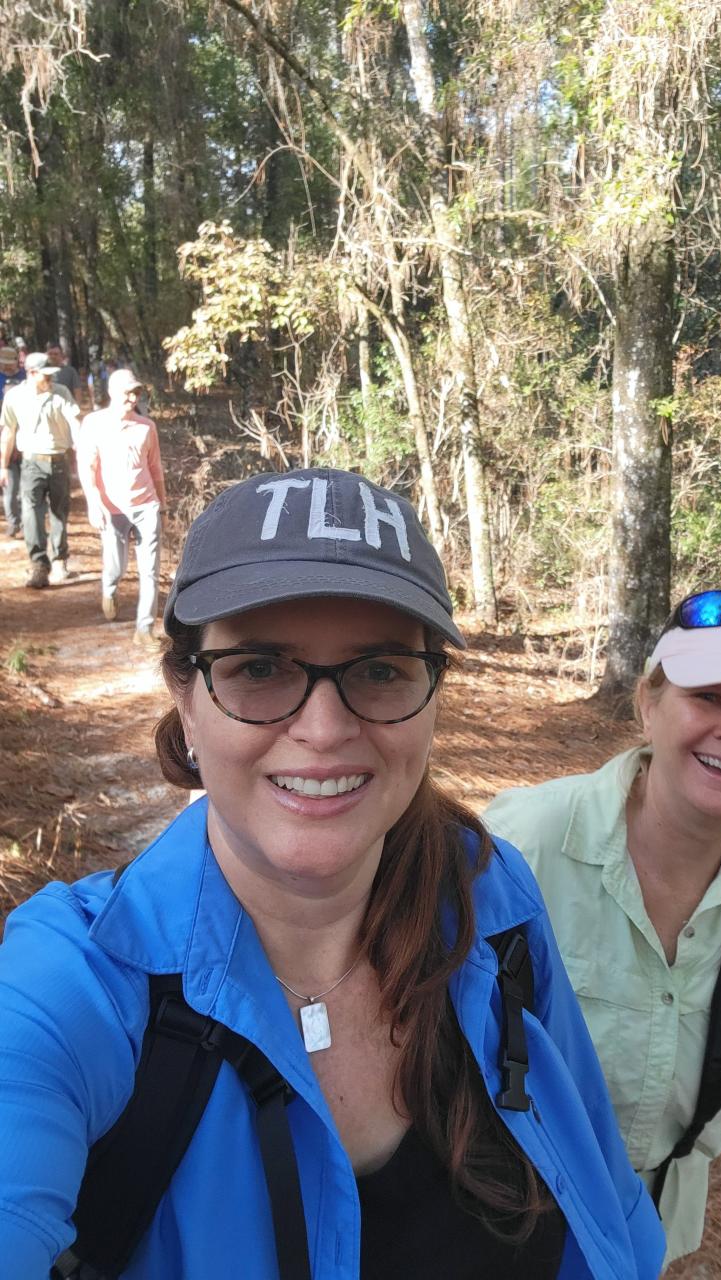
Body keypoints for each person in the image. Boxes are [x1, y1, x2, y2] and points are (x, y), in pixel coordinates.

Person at [0, 467, 665, 1279]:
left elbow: (605, 1198)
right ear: (186, 694)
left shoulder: (487, 898)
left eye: (380, 670)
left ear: (431, 695)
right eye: (259, 668)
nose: (323, 729)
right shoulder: (76, 982)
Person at [484, 590, 721, 1268]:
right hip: (504, 1211)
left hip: (651, 1219)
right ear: (649, 703)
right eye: (709, 698)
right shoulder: (524, 842)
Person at [79, 368, 167, 648]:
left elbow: (155, 469)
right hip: (112, 507)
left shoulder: (146, 426)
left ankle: (144, 629)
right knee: (116, 566)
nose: (132, 397)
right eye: (128, 392)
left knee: (149, 571)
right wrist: (94, 502)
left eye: (136, 392)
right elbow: (87, 467)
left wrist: (162, 505)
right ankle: (110, 589)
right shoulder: (93, 424)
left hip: (146, 505)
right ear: (112, 393)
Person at [0, 351, 81, 587]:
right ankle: (38, 564)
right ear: (32, 373)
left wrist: (82, 449)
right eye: (44, 375)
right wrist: (3, 467)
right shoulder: (14, 397)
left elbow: (74, 423)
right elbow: (8, 434)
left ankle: (59, 559)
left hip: (58, 461)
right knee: (31, 513)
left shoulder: (61, 393)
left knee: (59, 512)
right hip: (31, 463)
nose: (50, 379)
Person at [0, 343, 24, 537]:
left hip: (26, 434)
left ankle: (27, 521)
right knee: (9, 481)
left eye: (9, 363)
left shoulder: (26, 377)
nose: (6, 367)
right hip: (3, 433)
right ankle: (12, 521)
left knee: (27, 484)